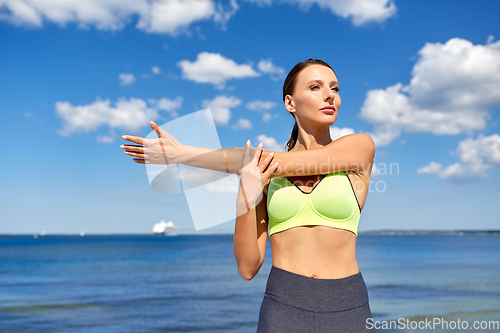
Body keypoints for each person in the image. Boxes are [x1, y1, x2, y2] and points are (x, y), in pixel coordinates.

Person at [121, 59, 375, 332]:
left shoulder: (358, 149)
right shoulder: (264, 176)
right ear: (290, 103)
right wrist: (246, 198)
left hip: (348, 305)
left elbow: (260, 160)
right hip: (284, 307)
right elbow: (248, 267)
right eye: (315, 87)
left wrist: (180, 154)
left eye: (335, 89)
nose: (330, 95)